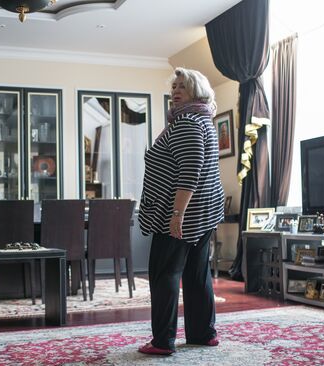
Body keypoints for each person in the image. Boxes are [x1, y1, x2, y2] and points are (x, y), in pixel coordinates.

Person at [137, 67, 225, 355]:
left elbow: (190, 171)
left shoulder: (187, 121)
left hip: (179, 215)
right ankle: (202, 334)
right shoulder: (202, 119)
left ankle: (163, 341)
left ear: (196, 92)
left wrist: (177, 215)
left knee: (165, 275)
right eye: (174, 87)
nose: (175, 91)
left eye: (182, 87)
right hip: (203, 213)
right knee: (196, 275)